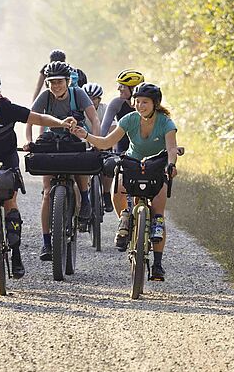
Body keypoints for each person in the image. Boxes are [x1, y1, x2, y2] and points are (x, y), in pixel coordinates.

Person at [0, 73, 78, 279]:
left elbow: (38, 118)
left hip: (7, 153)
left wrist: (61, 123)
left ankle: (15, 254)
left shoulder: (7, 107)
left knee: (10, 201)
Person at [69, 82, 179, 281]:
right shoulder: (129, 119)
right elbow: (106, 143)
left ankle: (158, 264)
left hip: (157, 165)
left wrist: (171, 165)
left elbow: (171, 149)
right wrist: (85, 135)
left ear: (155, 104)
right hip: (133, 162)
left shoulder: (166, 123)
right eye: (137, 102)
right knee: (118, 184)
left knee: (158, 217)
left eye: (145, 102)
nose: (140, 106)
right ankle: (125, 219)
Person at [25, 60, 100, 262]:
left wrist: (96, 142)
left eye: (59, 81)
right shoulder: (45, 96)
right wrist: (29, 142)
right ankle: (47, 242)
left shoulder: (78, 94)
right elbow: (30, 118)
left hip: (75, 138)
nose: (56, 86)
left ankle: (85, 200)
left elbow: (94, 119)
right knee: (48, 192)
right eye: (51, 82)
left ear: (68, 81)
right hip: (53, 140)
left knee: (81, 165)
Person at [98, 69, 145, 177]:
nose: (119, 88)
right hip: (122, 148)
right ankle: (107, 193)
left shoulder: (148, 105)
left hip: (145, 147)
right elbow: (103, 130)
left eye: (123, 86)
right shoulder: (116, 103)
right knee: (112, 169)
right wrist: (97, 143)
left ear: (133, 88)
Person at [82, 81, 113, 211]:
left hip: (103, 142)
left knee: (109, 165)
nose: (90, 101)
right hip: (85, 144)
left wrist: (111, 145)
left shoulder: (105, 109)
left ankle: (106, 194)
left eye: (93, 98)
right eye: (87, 98)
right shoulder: (78, 110)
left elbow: (113, 128)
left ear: (99, 99)